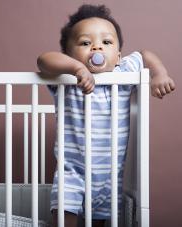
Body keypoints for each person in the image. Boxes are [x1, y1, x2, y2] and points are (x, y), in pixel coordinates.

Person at [37, 4, 175, 227]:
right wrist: (77, 69)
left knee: (102, 220)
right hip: (72, 172)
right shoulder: (68, 81)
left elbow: (145, 55)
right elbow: (43, 60)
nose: (97, 48)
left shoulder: (123, 74)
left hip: (110, 175)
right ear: (70, 55)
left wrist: (160, 74)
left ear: (119, 56)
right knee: (63, 218)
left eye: (106, 42)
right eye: (85, 43)